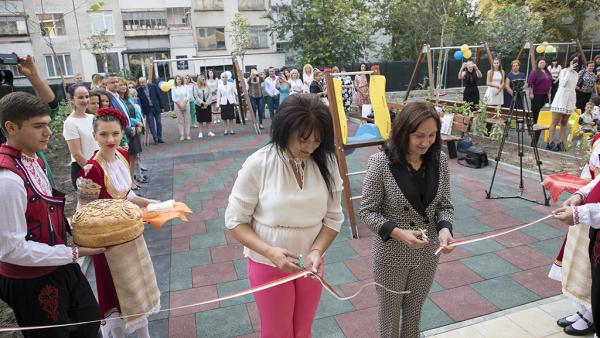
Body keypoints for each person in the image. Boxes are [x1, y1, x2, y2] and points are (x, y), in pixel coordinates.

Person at [225, 94, 343, 337]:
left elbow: (333, 219)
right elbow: (235, 222)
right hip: (268, 263)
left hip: (311, 263)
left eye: (317, 141)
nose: (310, 148)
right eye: (303, 140)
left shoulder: (327, 162)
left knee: (302, 331)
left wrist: (317, 251)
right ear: (284, 130)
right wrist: (271, 252)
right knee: (277, 332)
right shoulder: (258, 163)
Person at [0, 91, 103, 337]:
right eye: (38, 126)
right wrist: (75, 252)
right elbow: (12, 249)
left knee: (89, 325)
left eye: (47, 124)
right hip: (31, 279)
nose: (48, 132)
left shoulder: (32, 159)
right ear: (11, 127)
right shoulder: (7, 180)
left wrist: (81, 225)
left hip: (57, 263)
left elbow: (42, 213)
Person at [360, 101, 454, 338]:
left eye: (432, 135)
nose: (426, 142)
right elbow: (367, 211)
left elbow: (445, 205)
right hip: (392, 253)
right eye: (419, 135)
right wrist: (399, 233)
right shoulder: (381, 162)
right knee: (389, 316)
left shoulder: (439, 160)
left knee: (414, 313)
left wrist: (444, 229)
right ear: (404, 132)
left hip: (427, 252)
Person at [76, 107, 160, 338]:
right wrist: (135, 216)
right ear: (94, 136)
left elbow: (127, 195)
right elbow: (85, 215)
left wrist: (150, 203)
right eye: (104, 134)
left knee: (136, 290)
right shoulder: (90, 170)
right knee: (115, 297)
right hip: (108, 246)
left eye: (115, 133)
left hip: (132, 237)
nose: (110, 139)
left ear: (123, 131)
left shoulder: (122, 155)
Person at [63, 84, 99, 189]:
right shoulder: (70, 123)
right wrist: (93, 170)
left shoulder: (92, 117)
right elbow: (77, 154)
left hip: (97, 165)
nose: (85, 100)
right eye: (80, 97)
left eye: (87, 96)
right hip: (83, 169)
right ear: (72, 100)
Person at [548, 57, 580, 152]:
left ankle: (560, 142)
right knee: (554, 121)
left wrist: (573, 103)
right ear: (569, 61)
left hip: (570, 98)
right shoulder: (564, 71)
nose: (575, 63)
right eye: (574, 61)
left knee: (564, 122)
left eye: (577, 61)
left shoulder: (576, 74)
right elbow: (562, 84)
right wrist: (569, 70)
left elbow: (573, 87)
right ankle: (550, 142)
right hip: (561, 97)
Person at [117, 79, 144, 188]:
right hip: (128, 129)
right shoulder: (118, 100)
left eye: (125, 84)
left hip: (135, 129)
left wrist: (138, 124)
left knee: (134, 156)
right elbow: (124, 116)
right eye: (121, 84)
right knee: (128, 158)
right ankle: (129, 181)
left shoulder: (128, 98)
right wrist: (135, 123)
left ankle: (132, 180)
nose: (123, 86)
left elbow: (136, 112)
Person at [137, 77, 165, 145]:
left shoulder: (153, 86)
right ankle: (155, 138)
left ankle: (159, 137)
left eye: (143, 82)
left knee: (159, 123)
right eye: (140, 83)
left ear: (146, 82)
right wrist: (142, 112)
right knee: (151, 125)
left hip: (156, 107)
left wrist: (162, 107)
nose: (142, 84)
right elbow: (139, 102)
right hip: (148, 109)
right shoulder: (138, 90)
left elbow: (159, 96)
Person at [528, 57, 553, 123]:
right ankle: (535, 122)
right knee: (536, 109)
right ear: (538, 64)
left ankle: (540, 121)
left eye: (544, 62)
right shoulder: (535, 72)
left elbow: (550, 83)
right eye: (541, 62)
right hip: (537, 94)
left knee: (542, 109)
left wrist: (549, 93)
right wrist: (531, 93)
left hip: (545, 94)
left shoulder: (547, 72)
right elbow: (530, 83)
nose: (542, 64)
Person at [172, 75, 191, 141]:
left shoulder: (185, 86)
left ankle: (188, 134)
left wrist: (184, 104)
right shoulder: (174, 88)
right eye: (177, 79)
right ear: (175, 80)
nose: (179, 80)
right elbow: (173, 98)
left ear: (181, 80)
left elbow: (188, 96)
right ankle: (182, 135)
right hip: (177, 105)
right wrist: (180, 105)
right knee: (180, 120)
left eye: (180, 79)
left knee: (187, 120)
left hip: (186, 104)